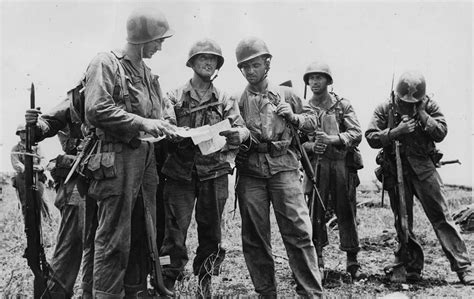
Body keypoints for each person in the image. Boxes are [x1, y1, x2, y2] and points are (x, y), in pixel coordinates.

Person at [82, 7, 178, 297]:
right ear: (141, 39)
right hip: (116, 160)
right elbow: (96, 108)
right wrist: (144, 122)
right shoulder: (106, 62)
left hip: (145, 162)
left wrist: (167, 124)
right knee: (114, 239)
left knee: (142, 234)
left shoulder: (149, 74)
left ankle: (134, 291)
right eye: (157, 40)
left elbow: (160, 111)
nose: (161, 46)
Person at [365, 70, 474, 285]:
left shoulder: (429, 106)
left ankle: (464, 267)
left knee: (442, 217)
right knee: (404, 223)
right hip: (396, 170)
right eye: (404, 100)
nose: (409, 104)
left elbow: (441, 132)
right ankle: (412, 267)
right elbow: (371, 136)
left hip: (424, 169)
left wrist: (423, 115)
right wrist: (396, 131)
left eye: (414, 100)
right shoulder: (385, 108)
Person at [233, 37, 323, 297]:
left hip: (284, 167)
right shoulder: (239, 99)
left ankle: (310, 293)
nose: (251, 71)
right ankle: (266, 292)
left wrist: (293, 116)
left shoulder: (287, 94)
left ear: (267, 64)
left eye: (255, 65)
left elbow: (312, 121)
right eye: (245, 67)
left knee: (298, 231)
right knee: (254, 236)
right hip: (251, 171)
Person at [159, 38, 249, 297]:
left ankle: (206, 279)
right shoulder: (174, 96)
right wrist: (176, 133)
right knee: (173, 231)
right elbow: (166, 125)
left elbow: (241, 127)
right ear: (192, 63)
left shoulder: (225, 98)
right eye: (202, 58)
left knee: (211, 230)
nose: (208, 63)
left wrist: (238, 135)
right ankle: (168, 278)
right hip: (179, 174)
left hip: (215, 172)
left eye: (213, 59)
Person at [25, 99, 96, 298]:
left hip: (108, 177)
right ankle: (56, 293)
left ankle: (89, 291)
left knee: (100, 241)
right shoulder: (76, 98)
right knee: (72, 240)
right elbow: (47, 124)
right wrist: (34, 124)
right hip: (77, 179)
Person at [301, 61, 366, 280]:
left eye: (319, 77)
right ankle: (317, 259)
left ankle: (352, 260)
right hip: (317, 166)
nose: (315, 82)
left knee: (346, 210)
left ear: (328, 81)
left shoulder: (342, 105)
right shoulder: (304, 108)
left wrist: (334, 139)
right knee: (315, 212)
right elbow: (298, 141)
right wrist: (312, 146)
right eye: (311, 78)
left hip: (341, 165)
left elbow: (356, 132)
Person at [10, 123, 51, 223]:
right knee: (25, 202)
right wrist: (26, 169)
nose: (23, 135)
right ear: (19, 134)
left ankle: (49, 223)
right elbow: (16, 163)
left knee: (43, 201)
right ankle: (28, 226)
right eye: (21, 133)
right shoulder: (15, 149)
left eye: (25, 132)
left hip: (38, 176)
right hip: (23, 178)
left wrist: (40, 167)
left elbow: (43, 159)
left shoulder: (36, 147)